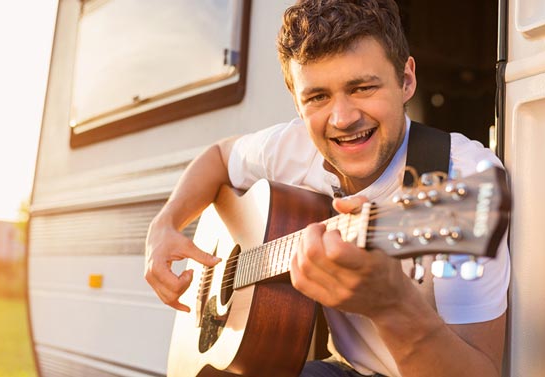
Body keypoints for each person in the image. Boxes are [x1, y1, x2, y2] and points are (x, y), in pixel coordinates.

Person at [144, 0, 510, 376]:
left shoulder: (460, 182)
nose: (343, 118)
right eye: (318, 97)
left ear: (406, 80)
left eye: (363, 88)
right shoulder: (294, 146)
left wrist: (393, 306)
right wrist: (165, 226)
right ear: (297, 102)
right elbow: (219, 157)